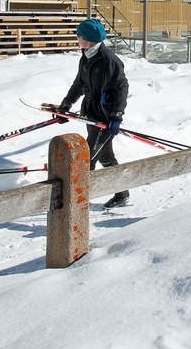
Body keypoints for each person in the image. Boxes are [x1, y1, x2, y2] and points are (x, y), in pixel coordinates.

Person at [45, 18, 131, 208]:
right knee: (105, 156)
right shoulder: (86, 57)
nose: (78, 39)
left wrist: (117, 114)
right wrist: (65, 106)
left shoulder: (109, 59)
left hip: (106, 118)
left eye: (79, 36)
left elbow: (122, 87)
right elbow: (79, 85)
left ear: (86, 38)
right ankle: (122, 193)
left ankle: (76, 203)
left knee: (87, 159)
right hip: (91, 115)